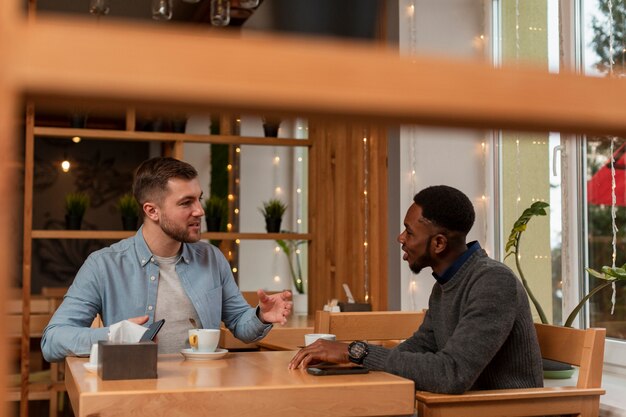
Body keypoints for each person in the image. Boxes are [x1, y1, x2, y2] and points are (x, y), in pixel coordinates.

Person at [289, 185, 543, 394]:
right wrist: (349, 359)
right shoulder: (446, 284)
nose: (400, 238)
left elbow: (451, 374)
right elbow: (421, 346)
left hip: (501, 410)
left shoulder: (493, 282)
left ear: (439, 243)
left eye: (409, 232)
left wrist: (356, 351)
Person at [42, 157, 292, 362]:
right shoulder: (103, 265)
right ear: (152, 210)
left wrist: (261, 316)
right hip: (137, 394)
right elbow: (52, 340)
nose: (200, 211)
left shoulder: (212, 258)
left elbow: (239, 323)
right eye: (186, 202)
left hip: (203, 392)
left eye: (199, 199)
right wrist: (116, 335)